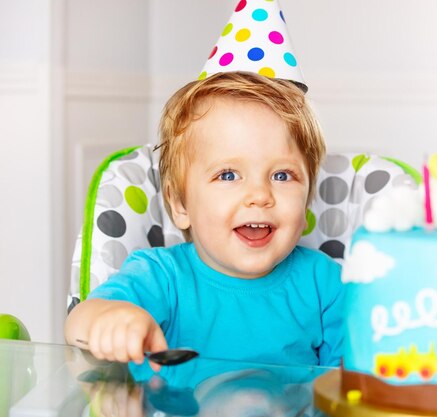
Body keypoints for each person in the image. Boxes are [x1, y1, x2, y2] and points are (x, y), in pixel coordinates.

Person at [64, 71, 344, 368]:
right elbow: (78, 323)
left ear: (307, 201)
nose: (260, 195)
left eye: (282, 175)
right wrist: (111, 320)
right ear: (180, 204)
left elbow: (356, 379)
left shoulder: (325, 284)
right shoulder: (161, 277)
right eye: (228, 175)